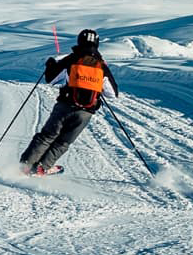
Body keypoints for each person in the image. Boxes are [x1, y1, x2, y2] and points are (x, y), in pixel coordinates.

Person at [19, 28, 120, 175]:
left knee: (47, 136)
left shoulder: (71, 59)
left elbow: (51, 79)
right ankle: (42, 168)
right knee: (63, 142)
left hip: (65, 105)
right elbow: (112, 94)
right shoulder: (101, 66)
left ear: (79, 41)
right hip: (85, 113)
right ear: (97, 44)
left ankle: (25, 167)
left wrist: (51, 64)